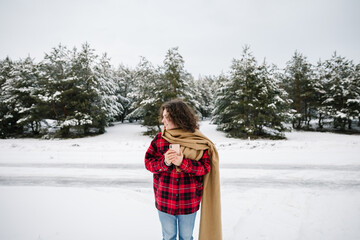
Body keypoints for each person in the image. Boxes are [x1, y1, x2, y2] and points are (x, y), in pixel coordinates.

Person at [145, 99, 222, 240]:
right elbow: (148, 164)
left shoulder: (196, 140)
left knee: (186, 237)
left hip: (189, 201)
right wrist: (165, 162)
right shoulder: (160, 139)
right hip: (165, 200)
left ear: (178, 118)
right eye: (163, 117)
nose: (163, 121)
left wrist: (183, 163)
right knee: (168, 237)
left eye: (166, 117)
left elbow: (205, 168)